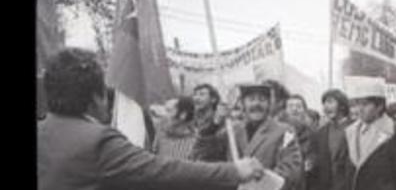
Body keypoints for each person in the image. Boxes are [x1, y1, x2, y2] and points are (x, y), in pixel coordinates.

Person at [37, 48, 265, 190]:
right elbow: (164, 171)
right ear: (96, 97)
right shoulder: (96, 141)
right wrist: (234, 171)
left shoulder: (42, 130)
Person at [193, 82, 305, 190]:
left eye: (262, 100)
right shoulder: (232, 130)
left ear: (269, 105)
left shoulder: (284, 131)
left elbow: (291, 171)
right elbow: (203, 155)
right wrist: (214, 124)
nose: (256, 104)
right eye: (251, 99)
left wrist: (254, 184)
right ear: (243, 104)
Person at [344, 79, 396, 190]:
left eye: (365, 104)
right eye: (357, 103)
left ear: (379, 106)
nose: (360, 109)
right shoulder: (351, 132)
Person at [307, 89, 353, 190]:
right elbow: (314, 164)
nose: (326, 106)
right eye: (324, 103)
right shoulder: (320, 133)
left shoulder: (355, 129)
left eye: (330, 102)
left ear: (342, 105)